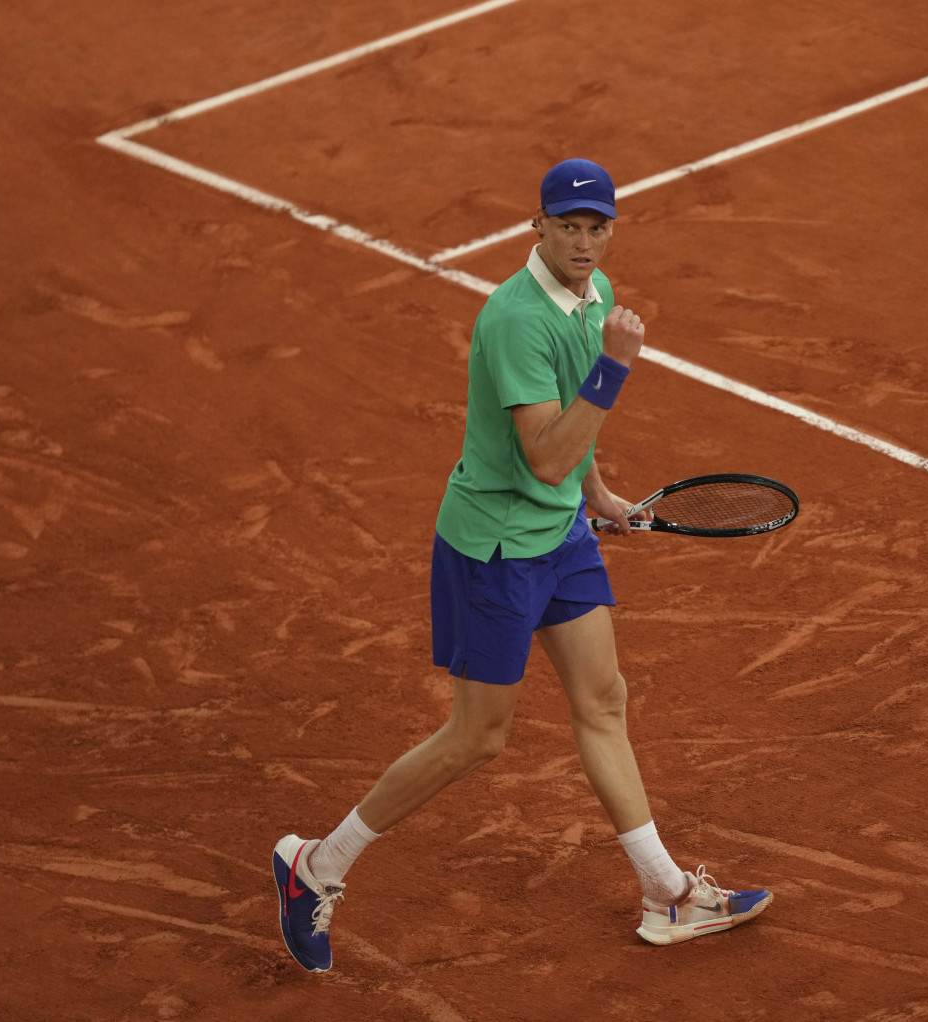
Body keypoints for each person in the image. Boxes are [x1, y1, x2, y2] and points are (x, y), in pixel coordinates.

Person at [272, 158, 772, 973]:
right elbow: (543, 456)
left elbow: (572, 435)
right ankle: (315, 865)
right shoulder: (513, 320)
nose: (583, 243)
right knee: (477, 738)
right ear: (536, 226)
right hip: (497, 547)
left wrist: (598, 495)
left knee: (603, 701)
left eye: (596, 228)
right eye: (567, 227)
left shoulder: (597, 296)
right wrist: (614, 369)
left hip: (562, 534)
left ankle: (667, 893)